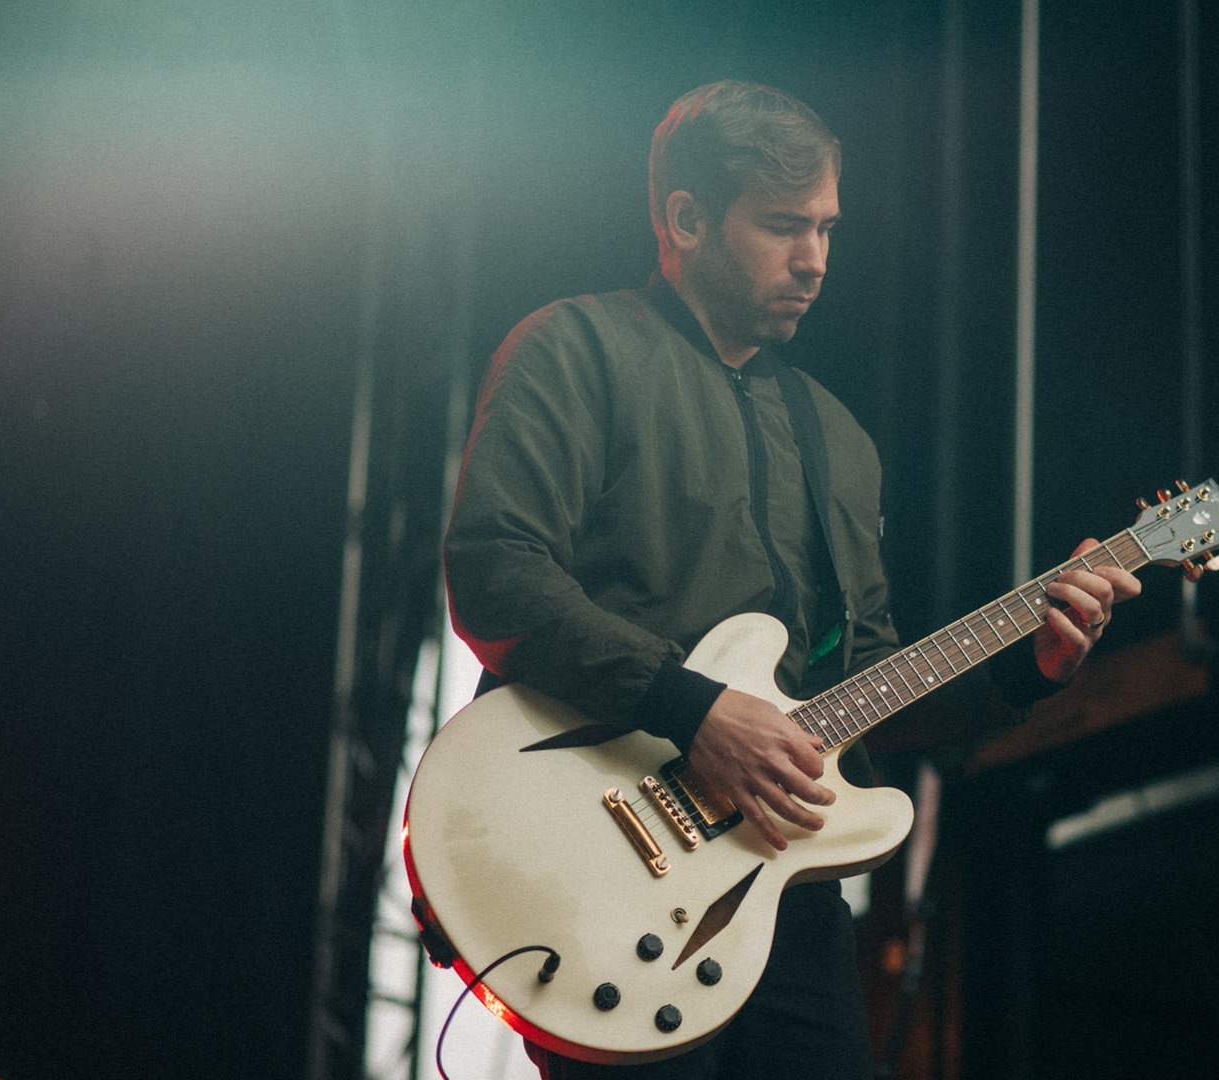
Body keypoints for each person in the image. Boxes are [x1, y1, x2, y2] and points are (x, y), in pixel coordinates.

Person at [442, 79, 1140, 1079]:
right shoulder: (573, 347)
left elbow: (864, 683)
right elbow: (495, 573)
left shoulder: (839, 441)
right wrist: (696, 710)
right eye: (782, 227)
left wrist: (1030, 668)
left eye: (825, 228)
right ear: (685, 218)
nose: (814, 260)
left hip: (782, 890)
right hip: (593, 854)